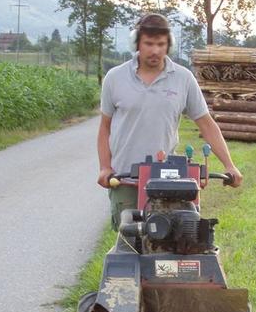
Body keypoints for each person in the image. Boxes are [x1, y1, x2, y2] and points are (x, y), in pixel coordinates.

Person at [97, 13, 243, 230]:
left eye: (160, 44)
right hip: (126, 179)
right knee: (129, 247)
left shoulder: (183, 78)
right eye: (148, 43)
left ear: (168, 45)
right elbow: (105, 128)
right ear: (137, 43)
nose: (155, 50)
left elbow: (206, 124)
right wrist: (104, 167)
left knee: (179, 240)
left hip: (168, 179)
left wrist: (229, 165)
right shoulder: (115, 78)